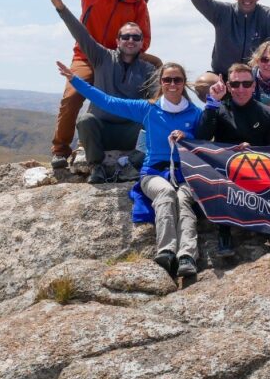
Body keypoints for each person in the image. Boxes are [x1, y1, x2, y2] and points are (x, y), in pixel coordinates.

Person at [56, 60, 203, 279]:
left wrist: (187, 137)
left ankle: (187, 256)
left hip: (185, 172)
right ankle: (166, 250)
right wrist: (75, 80)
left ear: (184, 83)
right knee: (165, 193)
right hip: (153, 172)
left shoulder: (195, 113)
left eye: (177, 80)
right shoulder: (148, 109)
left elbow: (205, 141)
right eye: (167, 80)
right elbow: (108, 101)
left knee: (183, 200)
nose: (172, 84)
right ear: (161, 83)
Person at [33, 0, 155, 170]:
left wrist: (128, 60)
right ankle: (60, 150)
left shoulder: (137, 1)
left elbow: (145, 35)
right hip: (87, 56)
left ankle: (149, 139)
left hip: (118, 59)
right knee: (73, 95)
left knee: (158, 72)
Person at [47, 0, 155, 183]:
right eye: (126, 36)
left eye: (136, 37)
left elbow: (156, 102)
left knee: (155, 119)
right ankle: (96, 166)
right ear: (118, 40)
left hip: (130, 132)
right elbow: (81, 34)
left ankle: (132, 164)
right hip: (101, 130)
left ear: (142, 42)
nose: (130, 40)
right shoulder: (102, 57)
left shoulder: (149, 70)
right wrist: (60, 8)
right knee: (85, 121)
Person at [198, 63, 270, 256]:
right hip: (227, 171)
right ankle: (224, 233)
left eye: (246, 84)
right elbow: (202, 138)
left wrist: (253, 152)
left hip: (259, 169)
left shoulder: (269, 114)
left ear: (254, 86)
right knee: (217, 178)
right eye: (236, 84)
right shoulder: (218, 110)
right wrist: (212, 102)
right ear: (228, 86)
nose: (241, 89)